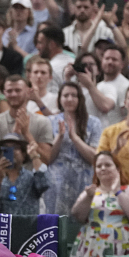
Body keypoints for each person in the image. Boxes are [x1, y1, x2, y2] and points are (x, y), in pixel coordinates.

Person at [72, 152, 129, 257]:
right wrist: (88, 197)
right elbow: (78, 216)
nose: (103, 168)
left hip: (126, 247)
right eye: (99, 166)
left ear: (117, 168)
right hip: (92, 246)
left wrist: (117, 192)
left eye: (107, 165)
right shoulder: (89, 192)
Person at [45, 81, 102, 215]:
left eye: (73, 95)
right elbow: (48, 159)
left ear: (80, 99)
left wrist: (74, 138)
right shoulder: (49, 121)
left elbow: (94, 158)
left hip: (84, 180)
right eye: (65, 95)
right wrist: (59, 137)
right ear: (59, 99)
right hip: (56, 183)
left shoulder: (94, 123)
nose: (69, 99)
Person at [0, 74, 55, 162]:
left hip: (34, 174)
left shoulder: (43, 122)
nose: (13, 94)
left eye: (18, 90)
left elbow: (46, 159)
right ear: (4, 93)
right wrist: (12, 138)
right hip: (5, 174)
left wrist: (27, 134)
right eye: (9, 91)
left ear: (28, 92)